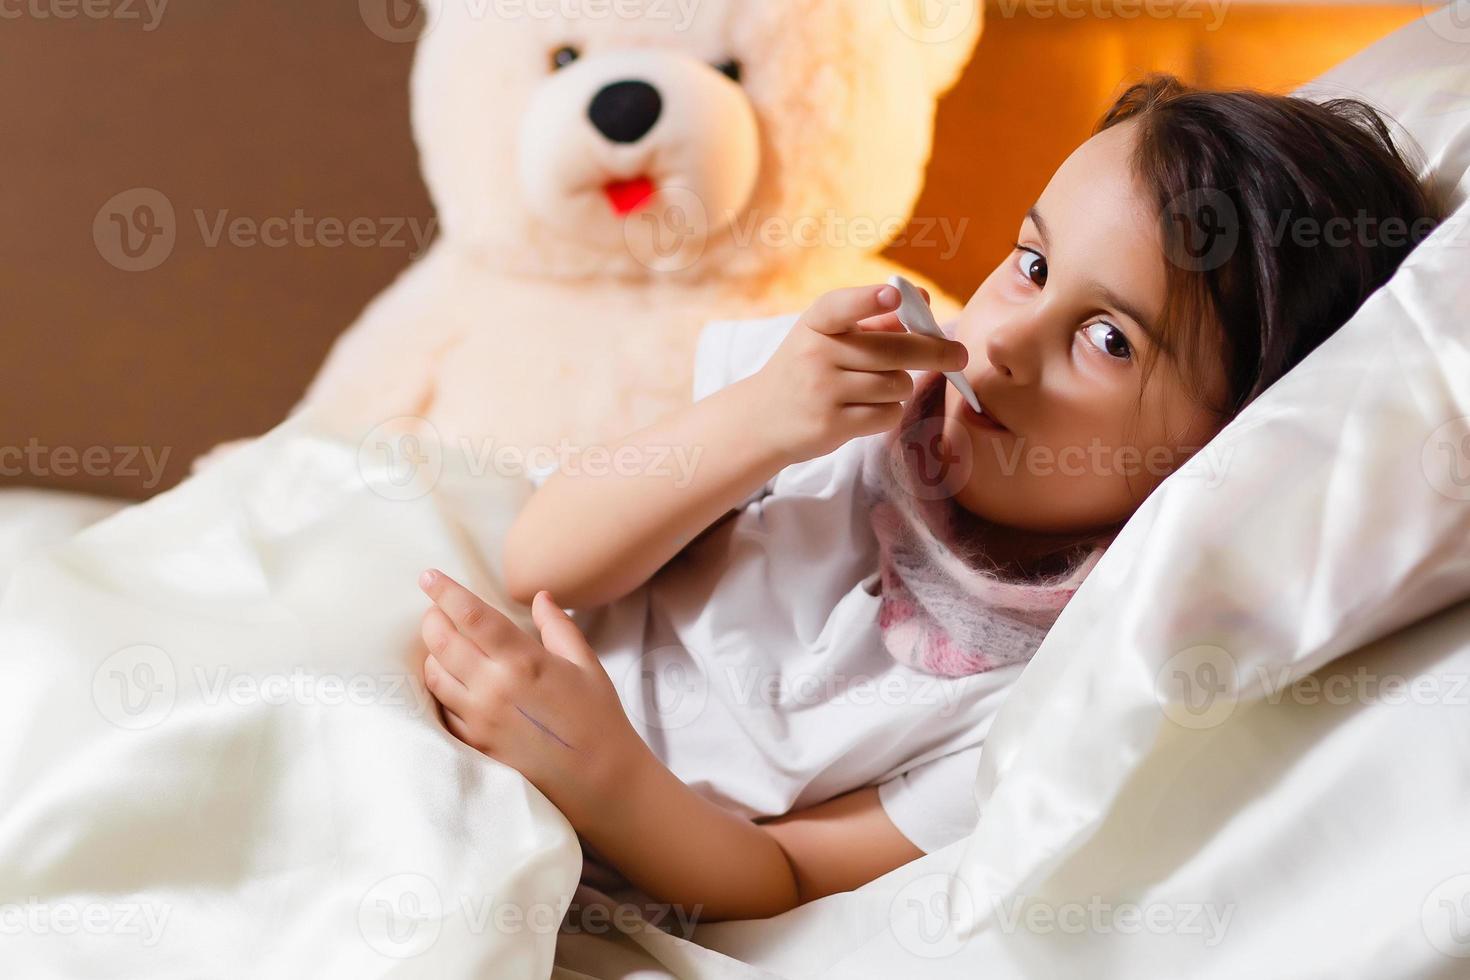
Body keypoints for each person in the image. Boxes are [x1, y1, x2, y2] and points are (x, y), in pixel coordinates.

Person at [414, 74, 1445, 923]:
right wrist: (765, 418)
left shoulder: (1062, 673)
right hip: (470, 676)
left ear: (1229, 448)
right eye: (1032, 263)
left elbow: (785, 873)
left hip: (593, 818)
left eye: (1110, 339)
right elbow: (543, 557)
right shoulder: (846, 394)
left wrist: (604, 773)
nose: (1003, 340)